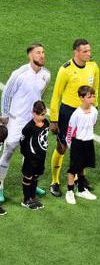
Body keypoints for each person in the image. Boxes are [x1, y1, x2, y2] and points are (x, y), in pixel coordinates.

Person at [0, 43, 51, 202]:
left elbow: (41, 94)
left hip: (33, 121)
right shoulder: (19, 74)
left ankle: (31, 186)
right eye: (38, 53)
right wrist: (5, 116)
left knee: (31, 153)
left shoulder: (46, 75)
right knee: (8, 152)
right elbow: (6, 95)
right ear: (30, 55)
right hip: (16, 120)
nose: (42, 55)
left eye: (43, 52)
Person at [49, 39, 99, 197]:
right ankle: (55, 181)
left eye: (89, 51)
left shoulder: (93, 67)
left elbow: (95, 90)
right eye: (85, 51)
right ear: (76, 52)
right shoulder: (65, 70)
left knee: (82, 146)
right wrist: (54, 120)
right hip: (68, 112)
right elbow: (56, 95)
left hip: (86, 112)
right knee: (62, 147)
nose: (88, 54)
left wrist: (94, 111)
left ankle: (79, 179)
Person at [65, 86, 98, 204]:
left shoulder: (95, 111)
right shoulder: (76, 114)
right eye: (90, 96)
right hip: (77, 143)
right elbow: (70, 130)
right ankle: (69, 191)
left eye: (93, 96)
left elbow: (93, 124)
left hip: (88, 142)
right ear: (82, 98)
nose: (93, 98)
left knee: (83, 166)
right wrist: (70, 145)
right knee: (73, 168)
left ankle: (81, 189)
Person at [19, 101, 49, 210]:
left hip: (41, 156)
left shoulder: (46, 123)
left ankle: (32, 197)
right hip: (31, 158)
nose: (42, 117)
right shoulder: (28, 128)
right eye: (40, 114)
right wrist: (27, 154)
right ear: (34, 113)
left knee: (36, 176)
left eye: (44, 114)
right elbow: (22, 142)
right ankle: (26, 200)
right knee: (28, 177)